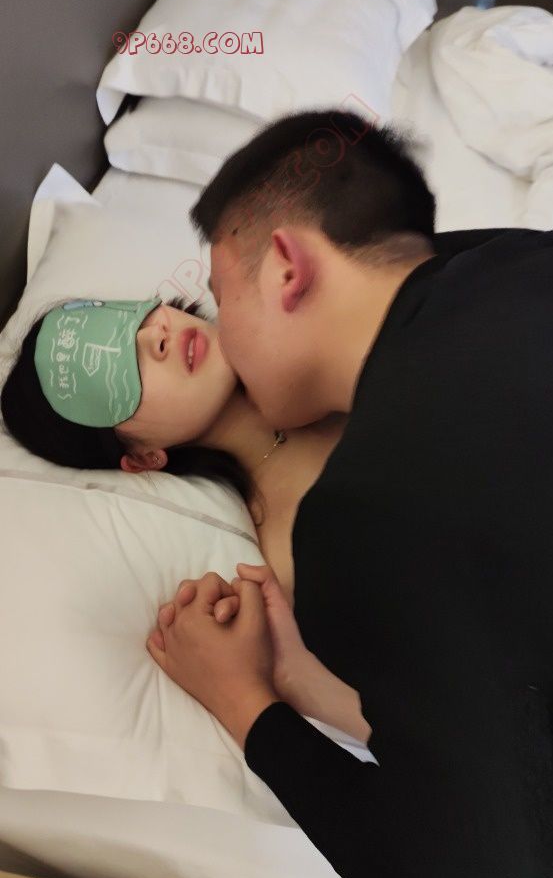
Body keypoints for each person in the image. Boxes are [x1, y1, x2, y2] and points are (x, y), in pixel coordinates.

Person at [145, 110, 553, 878]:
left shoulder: (362, 519)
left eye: (221, 296)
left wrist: (249, 707)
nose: (215, 333)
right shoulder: (527, 262)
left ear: (287, 268)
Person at [0, 293, 373, 743]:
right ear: (142, 458)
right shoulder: (296, 550)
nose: (155, 336)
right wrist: (292, 678)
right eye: (122, 373)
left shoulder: (333, 320)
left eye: (134, 319)